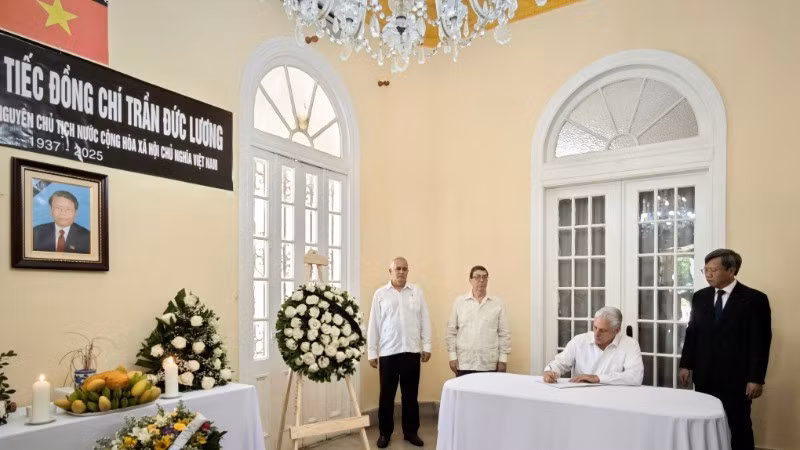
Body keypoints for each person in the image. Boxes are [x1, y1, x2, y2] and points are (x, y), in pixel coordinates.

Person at [679, 249, 772, 450]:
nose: (708, 274)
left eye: (713, 270)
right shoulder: (700, 297)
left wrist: (756, 378)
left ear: (731, 270)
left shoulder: (754, 299)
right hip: (704, 374)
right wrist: (685, 364)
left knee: (739, 426)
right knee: (703, 422)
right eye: (705, 269)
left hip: (737, 378)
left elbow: (761, 341)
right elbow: (692, 332)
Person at [367, 257, 432, 448]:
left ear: (408, 271)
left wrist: (426, 346)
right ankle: (384, 434)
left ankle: (411, 432)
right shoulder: (380, 294)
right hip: (388, 353)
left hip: (411, 352)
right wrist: (372, 351)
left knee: (410, 396)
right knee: (386, 396)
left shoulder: (417, 293)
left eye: (404, 269)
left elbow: (425, 320)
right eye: (397, 269)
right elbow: (374, 324)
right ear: (390, 271)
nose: (401, 272)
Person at [543, 306, 643, 385]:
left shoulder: (630, 344)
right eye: (595, 327)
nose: (596, 333)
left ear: (616, 330)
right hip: (581, 397)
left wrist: (597, 378)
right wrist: (550, 372)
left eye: (603, 330)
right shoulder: (580, 340)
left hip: (615, 398)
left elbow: (635, 377)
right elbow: (560, 363)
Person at [446, 265, 511, 377]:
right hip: (464, 363)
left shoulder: (497, 304)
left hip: (489, 364)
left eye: (484, 277)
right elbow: (451, 332)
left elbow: (504, 334)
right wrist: (452, 356)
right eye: (477, 277)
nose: (481, 280)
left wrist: (503, 359)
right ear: (470, 280)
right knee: (465, 394)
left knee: (487, 394)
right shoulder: (459, 303)